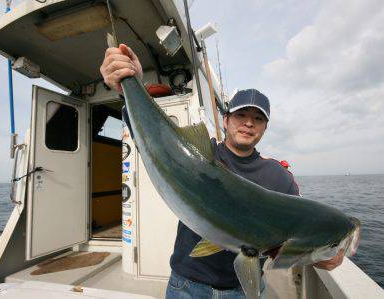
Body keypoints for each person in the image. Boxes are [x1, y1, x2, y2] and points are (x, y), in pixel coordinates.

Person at [100, 44, 344, 299]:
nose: (248, 122)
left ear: (264, 128)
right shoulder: (199, 156)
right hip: (187, 284)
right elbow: (152, 142)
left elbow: (299, 230)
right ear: (226, 120)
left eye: (258, 118)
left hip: (240, 291)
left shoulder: (279, 177)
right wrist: (130, 84)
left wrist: (322, 254)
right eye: (241, 115)